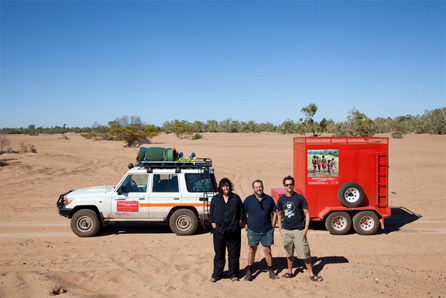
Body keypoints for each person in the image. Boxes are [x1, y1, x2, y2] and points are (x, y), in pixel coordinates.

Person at [277, 175, 323, 282]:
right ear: (284, 186)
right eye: (287, 184)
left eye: (291, 184)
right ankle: (290, 271)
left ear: (293, 185)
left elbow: (307, 214)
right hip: (287, 231)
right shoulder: (281, 199)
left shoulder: (300, 198)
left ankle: (311, 274)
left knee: (304, 252)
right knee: (289, 253)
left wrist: (306, 228)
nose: (289, 186)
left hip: (299, 230)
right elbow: (279, 214)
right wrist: (280, 228)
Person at [209, 178, 245, 282]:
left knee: (234, 254)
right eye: (224, 186)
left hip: (233, 231)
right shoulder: (215, 199)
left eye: (227, 185)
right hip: (219, 231)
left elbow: (241, 212)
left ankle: (233, 274)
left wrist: (240, 222)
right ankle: (217, 274)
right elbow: (211, 213)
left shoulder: (236, 198)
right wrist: (213, 224)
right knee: (219, 254)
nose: (226, 188)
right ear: (220, 188)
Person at [243, 179, 279, 281]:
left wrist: (273, 225)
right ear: (253, 188)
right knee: (251, 250)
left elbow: (275, 212)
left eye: (260, 186)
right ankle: (249, 271)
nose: (259, 189)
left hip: (267, 230)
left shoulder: (269, 199)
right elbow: (243, 214)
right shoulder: (248, 200)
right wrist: (246, 226)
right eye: (257, 187)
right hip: (253, 230)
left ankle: (271, 271)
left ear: (262, 187)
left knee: (267, 250)